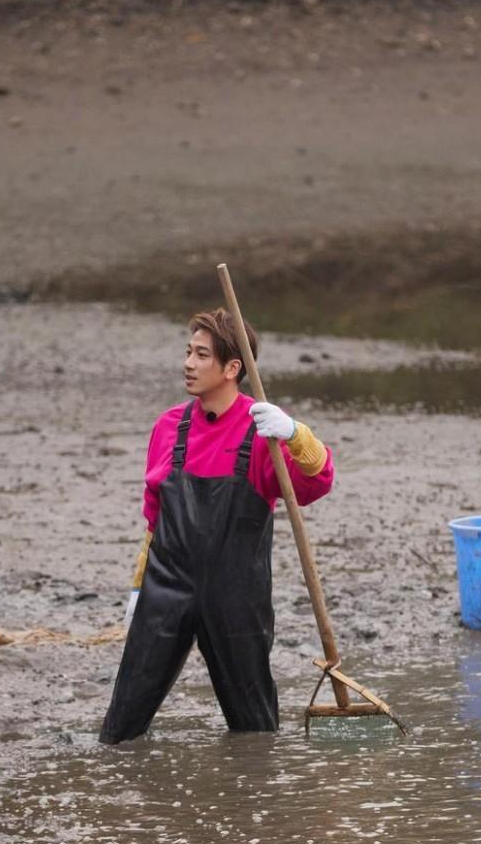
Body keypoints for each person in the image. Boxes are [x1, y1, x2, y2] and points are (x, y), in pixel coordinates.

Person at [99, 308, 334, 743]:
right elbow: (155, 513)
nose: (188, 363)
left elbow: (317, 483)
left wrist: (296, 433)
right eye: (188, 351)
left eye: (202, 354)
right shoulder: (168, 427)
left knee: (256, 735)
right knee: (119, 732)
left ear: (232, 368)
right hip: (166, 589)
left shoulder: (263, 432)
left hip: (237, 600)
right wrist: (139, 587)